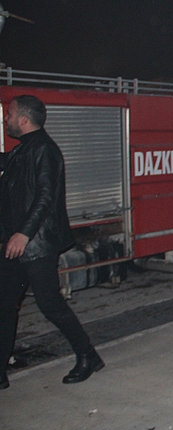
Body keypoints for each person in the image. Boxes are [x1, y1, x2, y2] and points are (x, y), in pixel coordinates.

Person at [1, 95, 104, 389]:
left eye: (9, 114)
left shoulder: (45, 150)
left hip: (35, 245)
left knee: (50, 304)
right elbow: (7, 164)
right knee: (4, 305)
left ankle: (88, 356)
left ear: (23, 120)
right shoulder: (24, 150)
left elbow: (45, 197)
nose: (5, 119)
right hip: (16, 245)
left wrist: (23, 233)